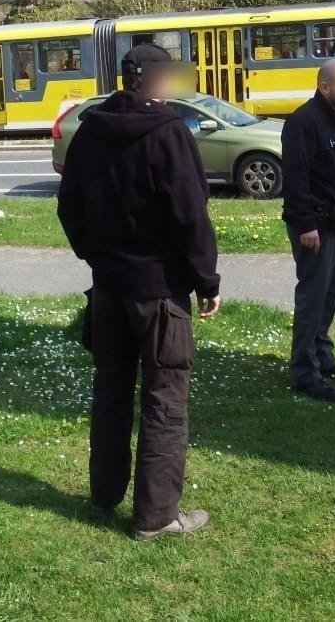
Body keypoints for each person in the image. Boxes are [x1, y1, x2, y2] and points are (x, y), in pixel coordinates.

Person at [57, 43, 221, 541]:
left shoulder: (90, 129)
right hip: (157, 291)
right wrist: (206, 281)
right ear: (156, 80)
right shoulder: (169, 132)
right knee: (164, 398)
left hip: (109, 287)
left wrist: (97, 256)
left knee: (110, 390)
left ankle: (104, 496)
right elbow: (190, 215)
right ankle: (156, 517)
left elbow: (69, 208)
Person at [280, 58, 335, 402]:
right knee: (312, 299)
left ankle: (322, 356)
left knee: (329, 296)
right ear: (324, 87)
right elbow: (295, 177)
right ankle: (305, 371)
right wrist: (306, 225)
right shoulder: (304, 122)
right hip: (315, 226)